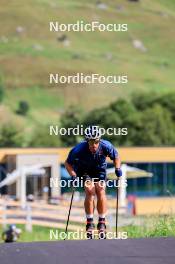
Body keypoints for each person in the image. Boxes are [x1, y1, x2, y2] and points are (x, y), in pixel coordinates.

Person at [65, 125, 122, 238]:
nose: (94, 145)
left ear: (99, 140)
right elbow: (67, 163)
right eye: (91, 142)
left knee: (101, 190)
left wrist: (117, 168)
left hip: (99, 171)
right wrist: (73, 175)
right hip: (84, 171)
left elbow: (116, 157)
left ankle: (102, 222)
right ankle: (89, 222)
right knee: (90, 191)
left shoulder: (106, 146)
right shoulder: (79, 149)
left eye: (96, 142)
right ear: (87, 141)